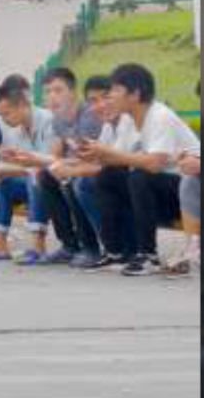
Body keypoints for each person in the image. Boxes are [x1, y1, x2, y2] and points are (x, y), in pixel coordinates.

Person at [78, 64, 201, 276]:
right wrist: (96, 154)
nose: (111, 96)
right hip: (159, 188)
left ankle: (148, 255)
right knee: (108, 177)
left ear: (135, 94)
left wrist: (106, 152)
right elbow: (118, 159)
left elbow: (154, 163)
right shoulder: (128, 119)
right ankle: (115, 252)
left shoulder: (160, 116)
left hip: (187, 189)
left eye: (116, 90)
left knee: (140, 177)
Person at [0, 76, 55, 263]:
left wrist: (4, 168)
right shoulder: (17, 129)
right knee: (2, 180)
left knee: (35, 177)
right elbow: (22, 164)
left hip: (55, 180)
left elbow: (47, 164)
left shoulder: (48, 121)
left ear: (23, 104)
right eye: (1, 115)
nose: (4, 120)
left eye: (7, 114)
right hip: (35, 178)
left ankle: (39, 245)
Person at [34, 69, 104, 266]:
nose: (52, 97)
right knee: (45, 177)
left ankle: (92, 247)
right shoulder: (57, 120)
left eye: (58, 90)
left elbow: (89, 159)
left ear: (73, 93)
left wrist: (61, 166)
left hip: (99, 171)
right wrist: (37, 164)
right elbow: (55, 156)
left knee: (72, 180)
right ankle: (69, 245)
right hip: (79, 168)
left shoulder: (89, 117)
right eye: (47, 92)